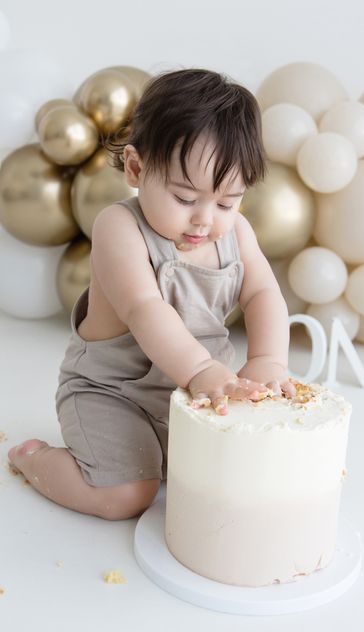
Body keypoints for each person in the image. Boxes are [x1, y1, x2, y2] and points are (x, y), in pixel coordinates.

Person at [8, 68, 296, 521]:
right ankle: (35, 458)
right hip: (112, 393)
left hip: (192, 393)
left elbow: (263, 293)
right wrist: (202, 368)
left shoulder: (235, 232)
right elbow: (146, 309)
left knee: (238, 481)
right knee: (128, 495)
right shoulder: (120, 228)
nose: (205, 219)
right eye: (185, 198)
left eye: (226, 201)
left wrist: (267, 362)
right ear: (138, 169)